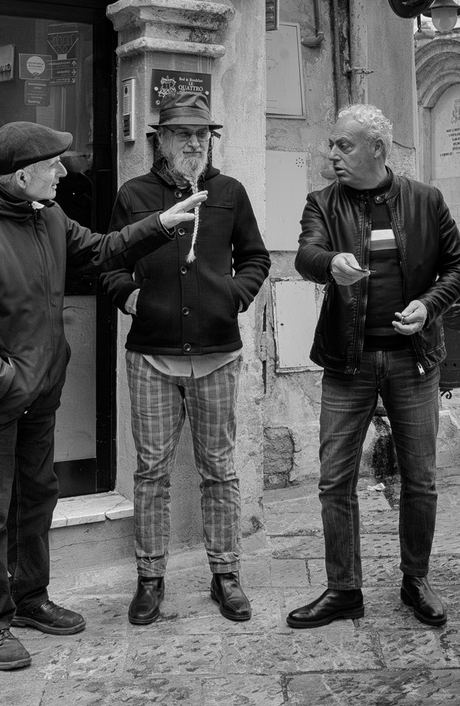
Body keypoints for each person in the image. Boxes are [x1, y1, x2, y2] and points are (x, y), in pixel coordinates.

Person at [0, 122, 205, 672]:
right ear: (22, 174)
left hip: (37, 397)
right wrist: (6, 380)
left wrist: (161, 225)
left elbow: (100, 251)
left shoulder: (44, 215)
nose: (63, 172)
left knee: (37, 500)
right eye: (53, 164)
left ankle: (29, 599)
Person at [287, 104, 460, 631]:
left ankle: (416, 580)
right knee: (334, 480)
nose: (333, 155)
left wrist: (430, 305)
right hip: (349, 361)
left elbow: (459, 265)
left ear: (378, 149)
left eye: (344, 145)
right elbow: (306, 254)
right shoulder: (322, 203)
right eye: (332, 145)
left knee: (421, 478)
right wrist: (330, 265)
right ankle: (344, 588)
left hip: (413, 360)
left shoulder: (424, 200)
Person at [101, 91, 271, 626]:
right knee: (151, 472)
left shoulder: (230, 193)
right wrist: (131, 297)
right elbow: (108, 262)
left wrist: (232, 295)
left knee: (219, 469)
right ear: (160, 140)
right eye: (183, 133)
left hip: (218, 355)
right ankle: (150, 579)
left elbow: (257, 258)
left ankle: (226, 575)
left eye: (203, 134)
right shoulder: (134, 195)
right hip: (152, 356)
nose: (195, 142)